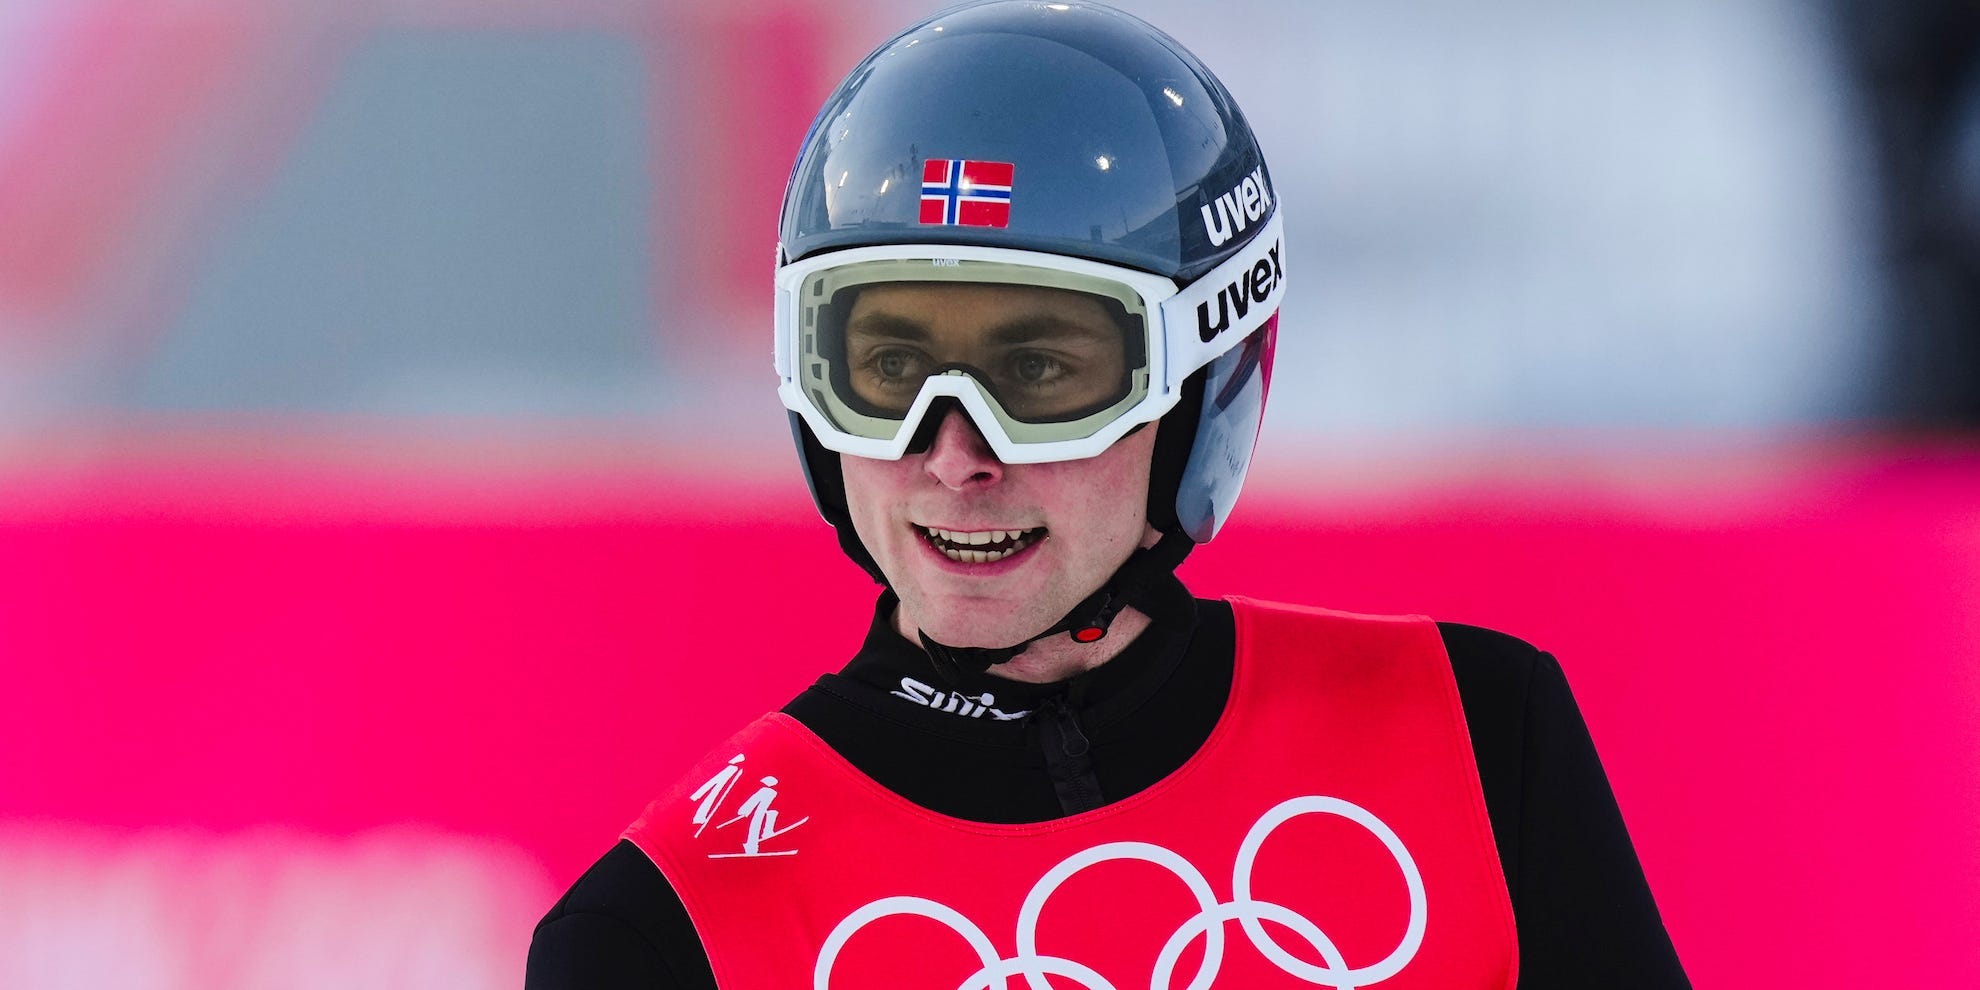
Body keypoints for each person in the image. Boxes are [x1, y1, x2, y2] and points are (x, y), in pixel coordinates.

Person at [527, 2, 1689, 986]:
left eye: (1038, 373)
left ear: (1199, 384)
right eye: (885, 369)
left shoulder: (1478, 736)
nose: (955, 458)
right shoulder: (666, 931)